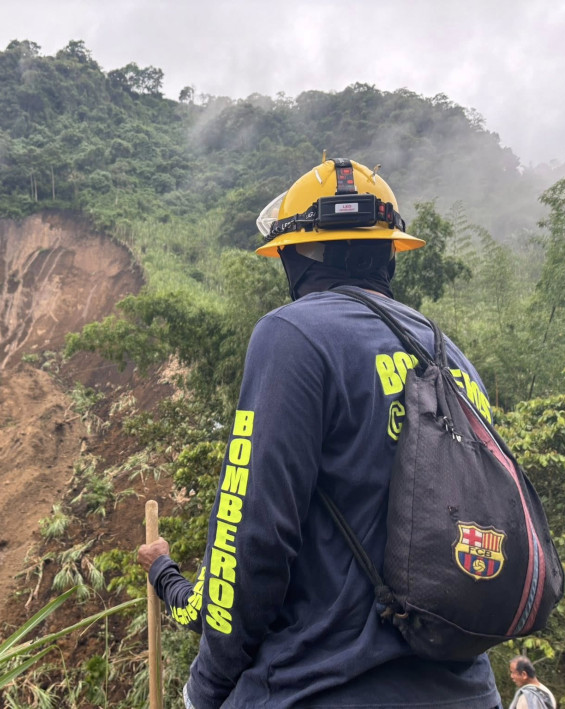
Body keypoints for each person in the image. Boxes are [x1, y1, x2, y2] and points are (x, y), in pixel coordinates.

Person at [137, 156, 502, 708]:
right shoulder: (453, 360)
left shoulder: (294, 336)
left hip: (321, 687)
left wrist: (206, 688)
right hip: (468, 692)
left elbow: (252, 540)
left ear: (299, 254)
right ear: (388, 252)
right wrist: (166, 573)